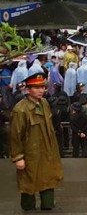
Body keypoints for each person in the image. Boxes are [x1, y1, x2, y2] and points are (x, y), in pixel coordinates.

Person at [10, 73, 63, 211]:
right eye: (36, 87)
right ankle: (28, 208)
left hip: (46, 150)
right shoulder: (20, 109)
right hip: (30, 153)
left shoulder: (44, 103)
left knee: (48, 179)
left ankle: (48, 205)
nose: (41, 90)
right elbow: (15, 135)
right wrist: (18, 157)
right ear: (28, 89)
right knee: (29, 183)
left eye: (43, 87)